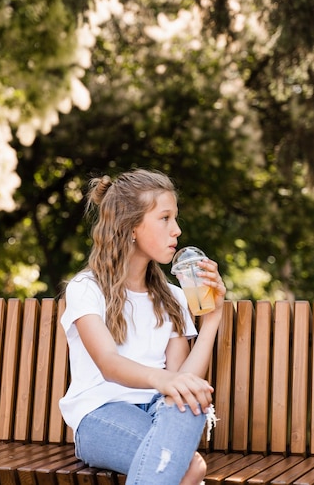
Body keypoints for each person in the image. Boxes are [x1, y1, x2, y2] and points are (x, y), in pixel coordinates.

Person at [59, 169, 226, 485]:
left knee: (192, 401)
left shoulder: (174, 298)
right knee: (191, 469)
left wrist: (213, 317)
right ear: (131, 226)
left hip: (159, 413)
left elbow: (182, 378)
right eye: (165, 218)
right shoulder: (86, 288)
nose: (176, 230)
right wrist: (166, 382)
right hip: (99, 416)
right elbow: (109, 365)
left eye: (175, 218)